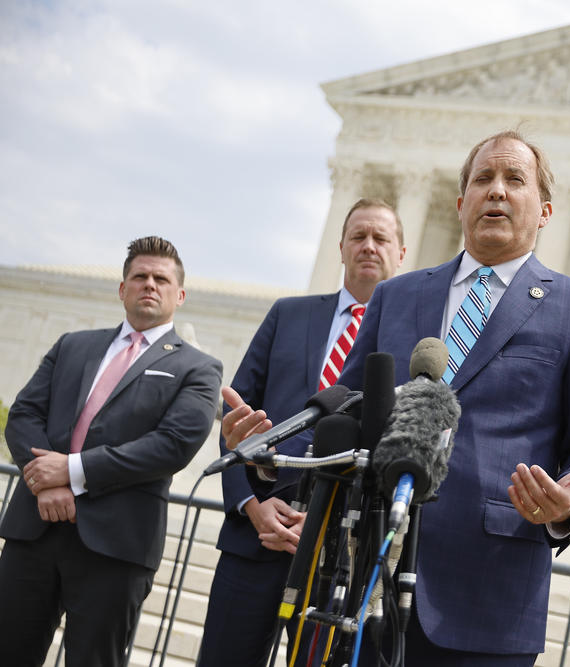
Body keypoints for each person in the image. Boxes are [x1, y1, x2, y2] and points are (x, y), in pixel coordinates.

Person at [338, 130, 570, 664]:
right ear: (460, 201)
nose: (496, 190)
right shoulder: (397, 296)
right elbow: (349, 408)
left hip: (489, 596)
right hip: (368, 580)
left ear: (544, 211)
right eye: (482, 179)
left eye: (515, 180)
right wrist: (272, 457)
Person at [198, 199, 406, 666]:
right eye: (358, 236)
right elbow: (235, 421)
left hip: (341, 561)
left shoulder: (409, 342)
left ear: (402, 252)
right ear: (341, 247)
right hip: (255, 541)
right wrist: (250, 505)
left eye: (381, 238)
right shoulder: (287, 314)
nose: (368, 246)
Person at [0, 236, 223, 667]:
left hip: (116, 547)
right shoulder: (73, 346)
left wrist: (71, 471)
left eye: (161, 279)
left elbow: (172, 445)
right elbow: (24, 415)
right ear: (122, 289)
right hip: (35, 531)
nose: (149, 285)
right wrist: (44, 482)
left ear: (179, 295)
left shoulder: (197, 367)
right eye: (139, 276)